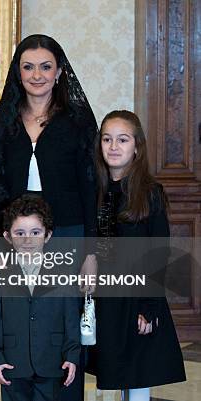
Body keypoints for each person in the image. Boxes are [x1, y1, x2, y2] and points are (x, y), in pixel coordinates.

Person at [0, 34, 98, 400]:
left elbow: (92, 188)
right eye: (28, 67)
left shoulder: (76, 121)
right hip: (17, 236)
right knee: (17, 326)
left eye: (46, 67)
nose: (37, 75)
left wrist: (91, 253)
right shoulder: (6, 119)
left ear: (59, 72)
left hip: (68, 234)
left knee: (60, 330)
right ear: (18, 72)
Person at [88, 110, 186, 400]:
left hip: (136, 296)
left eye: (122, 139)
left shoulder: (149, 193)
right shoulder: (95, 190)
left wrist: (149, 305)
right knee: (110, 368)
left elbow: (159, 252)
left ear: (137, 147)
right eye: (107, 139)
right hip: (104, 297)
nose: (114, 146)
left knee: (138, 370)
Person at [0, 195, 80, 401]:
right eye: (19, 233)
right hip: (13, 363)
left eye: (35, 232)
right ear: (7, 236)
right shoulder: (2, 274)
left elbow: (71, 319)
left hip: (52, 361)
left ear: (47, 235)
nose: (27, 240)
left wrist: (72, 356)